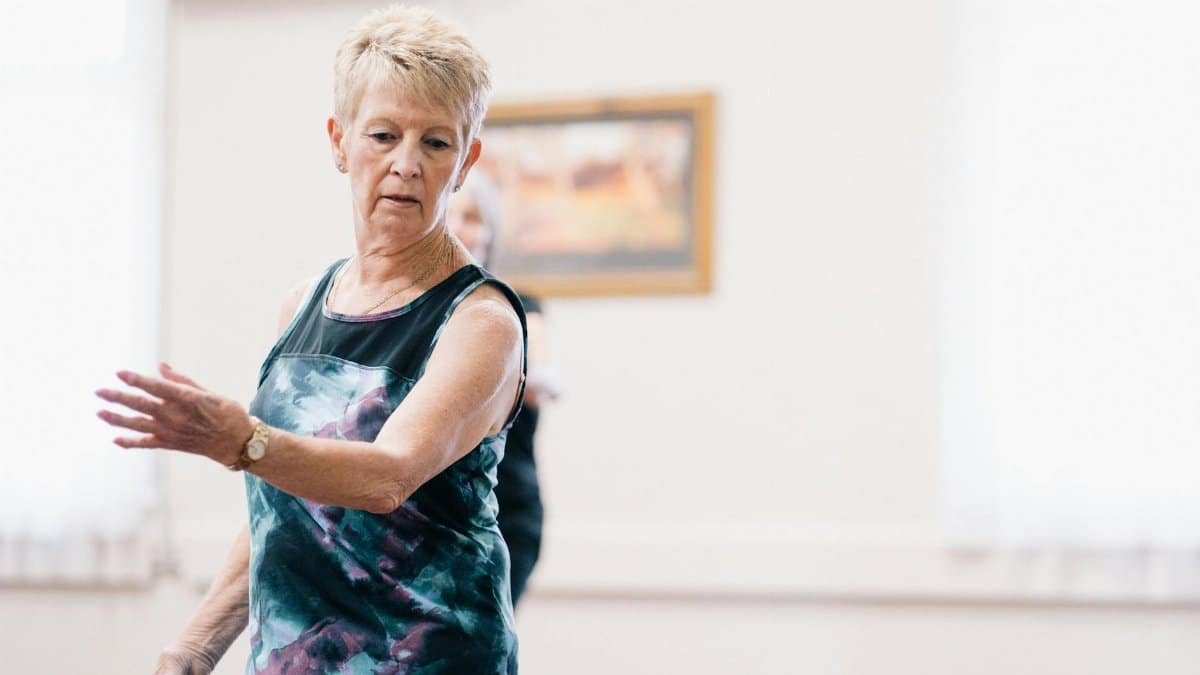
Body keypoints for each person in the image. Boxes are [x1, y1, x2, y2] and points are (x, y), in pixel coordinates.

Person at [95, 6, 524, 673]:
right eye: (384, 134)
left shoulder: (480, 322)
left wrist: (242, 440)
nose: (406, 164)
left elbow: (387, 477)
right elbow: (284, 505)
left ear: (466, 159)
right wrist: (194, 646)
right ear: (339, 140)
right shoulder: (303, 305)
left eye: (435, 143)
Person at [447, 172, 561, 606]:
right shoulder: (408, 313)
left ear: (491, 231)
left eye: (474, 217)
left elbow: (540, 377)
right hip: (432, 521)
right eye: (451, 215)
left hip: (502, 515)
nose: (460, 227)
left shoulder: (516, 307)